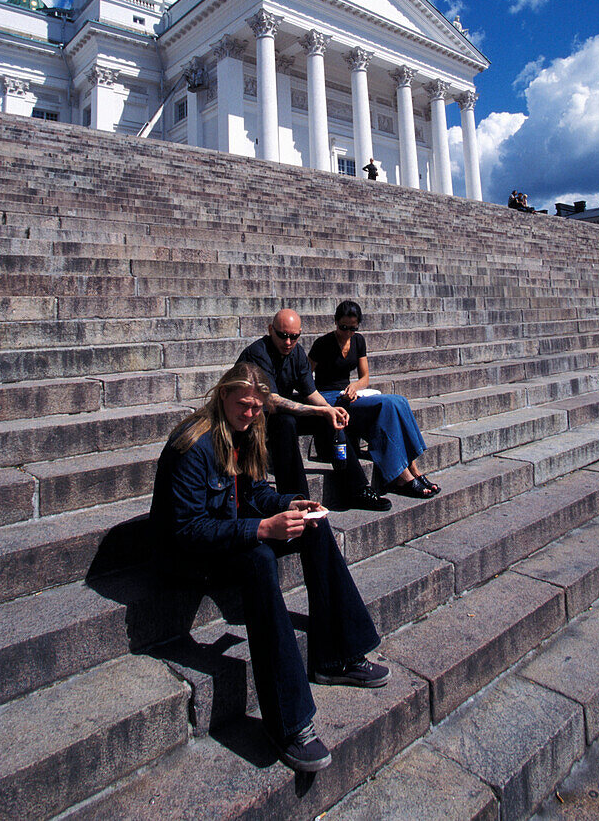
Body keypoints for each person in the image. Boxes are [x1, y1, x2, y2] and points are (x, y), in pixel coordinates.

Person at [149, 362, 390, 773]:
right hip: (187, 555)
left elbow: (256, 490)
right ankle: (289, 723)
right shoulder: (193, 445)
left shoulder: (248, 432)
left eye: (257, 407)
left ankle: (337, 656)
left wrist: (289, 505)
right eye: (243, 405)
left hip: (227, 528)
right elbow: (186, 530)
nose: (249, 413)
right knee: (259, 558)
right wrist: (261, 528)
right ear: (221, 395)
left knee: (314, 525)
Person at [237, 308, 390, 511]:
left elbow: (310, 392)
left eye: (294, 337)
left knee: (327, 416)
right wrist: (320, 411)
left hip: (275, 412)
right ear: (270, 330)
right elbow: (271, 401)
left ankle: (358, 489)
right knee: (286, 422)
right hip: (249, 417)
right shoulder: (258, 353)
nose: (288, 342)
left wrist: (330, 411)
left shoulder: (297, 352)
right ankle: (297, 499)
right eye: (282, 335)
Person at [308, 300, 441, 499]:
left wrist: (354, 386)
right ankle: (402, 475)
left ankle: (415, 470)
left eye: (353, 328)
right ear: (336, 322)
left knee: (399, 401)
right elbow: (306, 377)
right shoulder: (322, 344)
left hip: (350, 393)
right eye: (343, 327)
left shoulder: (358, 341)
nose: (347, 333)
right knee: (387, 404)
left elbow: (365, 378)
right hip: (329, 397)